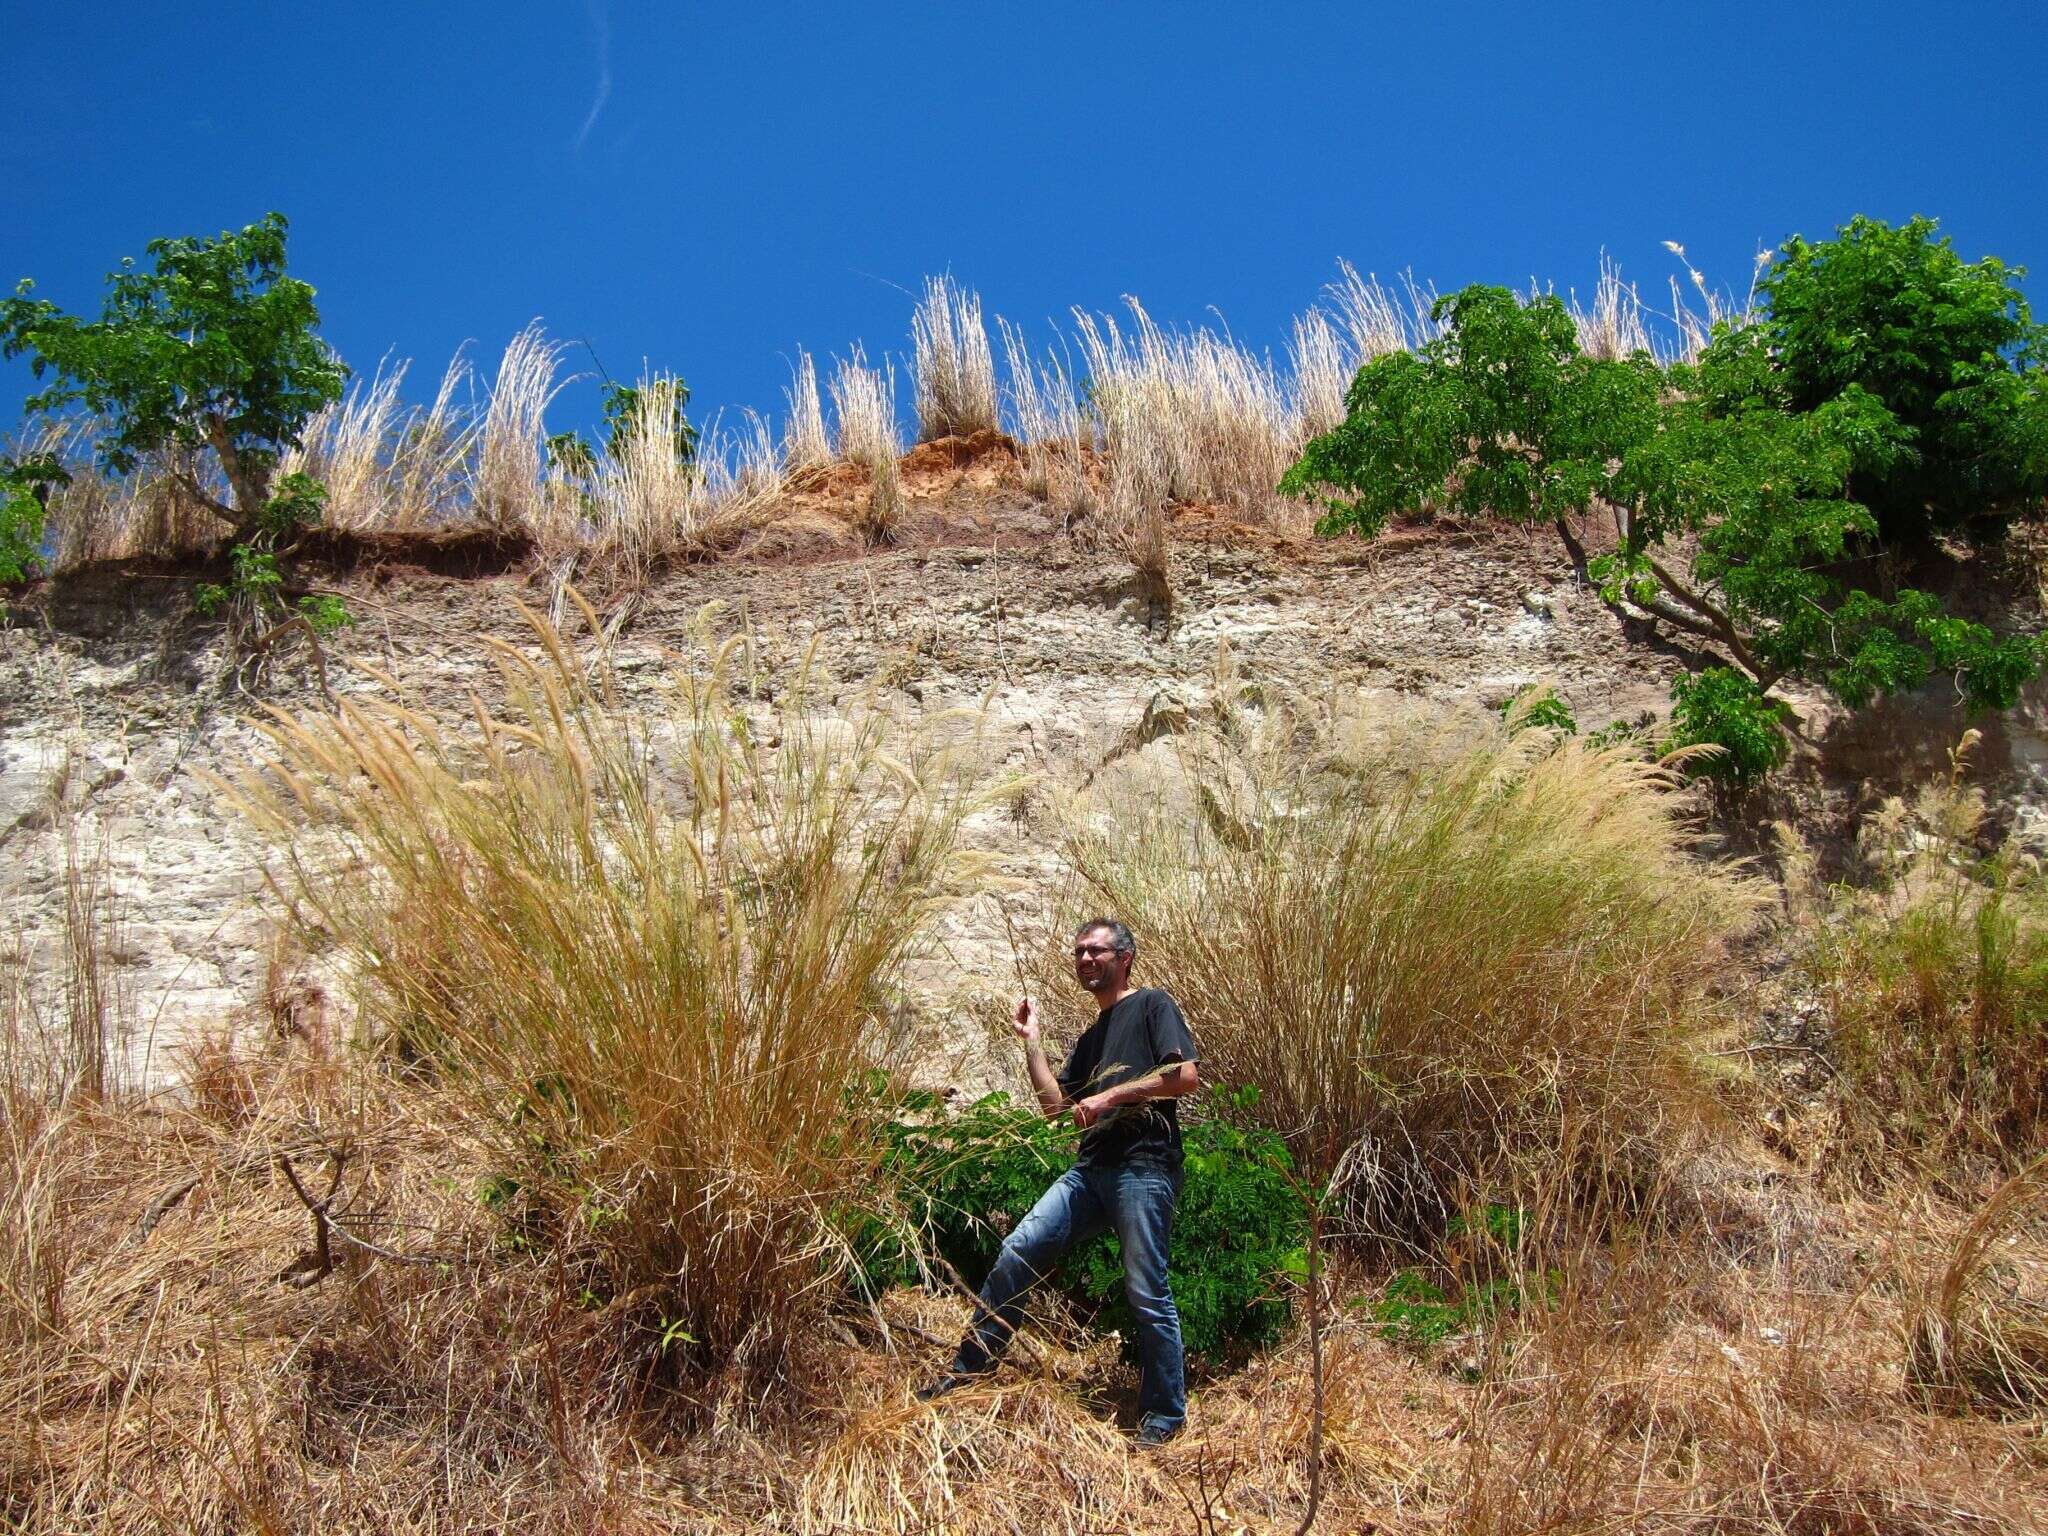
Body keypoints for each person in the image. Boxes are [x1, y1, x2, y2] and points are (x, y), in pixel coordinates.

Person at [919, 918, 1200, 1448]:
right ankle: (968, 1373)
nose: (1085, 959)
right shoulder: (1093, 1037)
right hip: (1090, 1173)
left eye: (1096, 950)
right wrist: (1032, 1043)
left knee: (1146, 1289)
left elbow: (1185, 1076)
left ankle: (1164, 1414)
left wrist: (1111, 1097)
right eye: (1078, 952)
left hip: (1145, 1167)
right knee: (1018, 1252)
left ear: (1125, 958)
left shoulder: (1152, 1005)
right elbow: (1056, 1108)